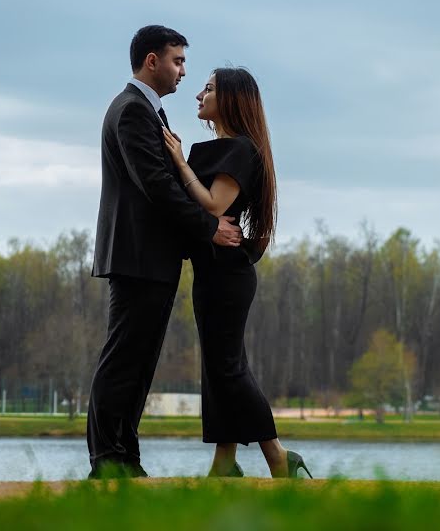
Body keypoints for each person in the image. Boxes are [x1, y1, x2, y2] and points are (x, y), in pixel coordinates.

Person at [87, 25, 243, 479]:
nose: (182, 72)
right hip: (137, 256)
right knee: (123, 359)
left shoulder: (148, 112)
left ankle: (125, 458)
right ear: (151, 61)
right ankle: (106, 460)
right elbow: (156, 186)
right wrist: (209, 228)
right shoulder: (133, 111)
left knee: (138, 362)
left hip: (149, 257)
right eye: (177, 61)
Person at [162, 67, 312, 479]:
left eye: (207, 89)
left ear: (228, 98)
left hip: (228, 274)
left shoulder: (241, 150)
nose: (198, 95)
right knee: (217, 365)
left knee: (227, 367)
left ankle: (279, 456)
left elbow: (212, 205)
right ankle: (224, 462)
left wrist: (177, 160)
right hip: (211, 271)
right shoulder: (214, 149)